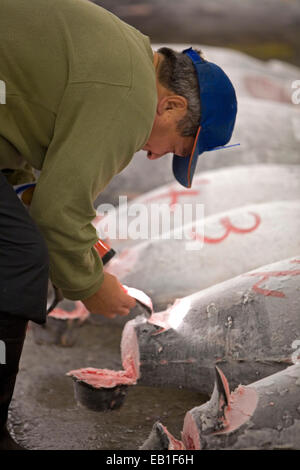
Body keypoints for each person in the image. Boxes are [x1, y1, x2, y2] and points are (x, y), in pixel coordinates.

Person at [0, 0, 237, 449]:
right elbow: (58, 212)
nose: (153, 155)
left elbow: (17, 127)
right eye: (177, 147)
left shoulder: (127, 54)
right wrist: (91, 286)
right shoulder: (129, 98)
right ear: (169, 105)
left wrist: (51, 213)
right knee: (18, 257)